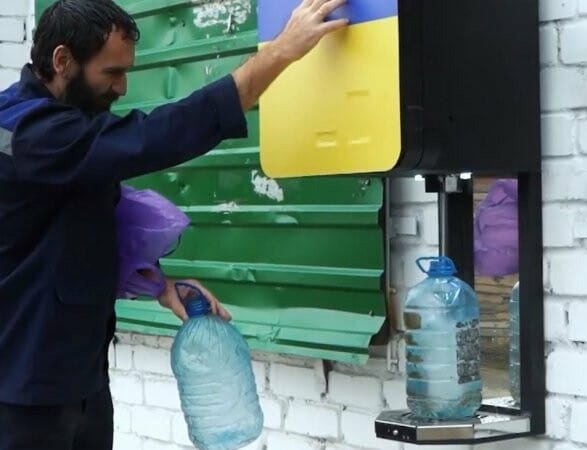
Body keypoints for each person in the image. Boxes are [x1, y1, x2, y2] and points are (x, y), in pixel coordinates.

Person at [0, 0, 348, 449]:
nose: (123, 88)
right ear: (62, 60)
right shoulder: (28, 131)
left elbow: (73, 224)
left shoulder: (60, 124)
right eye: (111, 73)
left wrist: (157, 284)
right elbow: (153, 138)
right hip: (26, 390)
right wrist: (278, 53)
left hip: (76, 375)